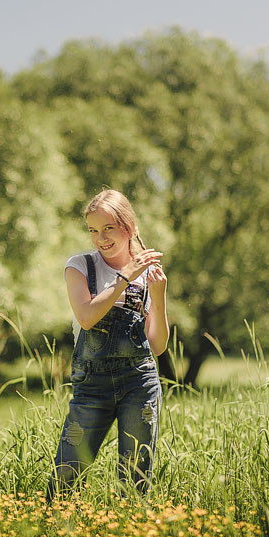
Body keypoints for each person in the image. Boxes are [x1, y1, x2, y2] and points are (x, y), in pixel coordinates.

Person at [47, 188, 169, 499]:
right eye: (93, 230)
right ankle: (52, 524)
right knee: (67, 472)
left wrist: (158, 297)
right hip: (92, 385)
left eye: (108, 228)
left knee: (135, 477)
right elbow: (87, 318)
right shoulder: (80, 266)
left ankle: (130, 525)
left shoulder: (148, 273)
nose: (100, 238)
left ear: (129, 227)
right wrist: (124, 277)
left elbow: (157, 346)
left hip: (139, 383)